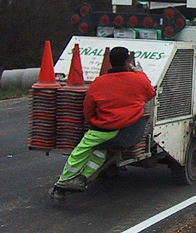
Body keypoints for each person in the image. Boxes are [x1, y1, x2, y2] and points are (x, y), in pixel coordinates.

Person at [53, 46, 155, 194]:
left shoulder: (99, 83)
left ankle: (63, 182)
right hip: (130, 131)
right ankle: (83, 178)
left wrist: (93, 122)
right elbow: (150, 93)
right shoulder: (140, 79)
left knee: (81, 150)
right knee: (100, 152)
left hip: (105, 129)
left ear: (110, 62)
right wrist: (138, 71)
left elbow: (88, 109)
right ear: (128, 62)